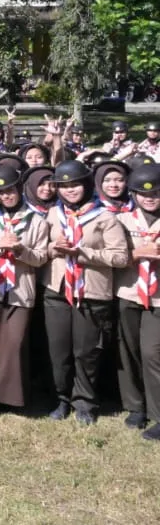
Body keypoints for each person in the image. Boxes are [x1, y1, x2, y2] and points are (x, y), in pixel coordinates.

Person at [44, 160, 129, 424]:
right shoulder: (52, 215)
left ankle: (85, 402)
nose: (70, 190)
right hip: (57, 289)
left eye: (75, 185)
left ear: (87, 185)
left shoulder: (105, 217)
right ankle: (61, 398)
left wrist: (82, 253)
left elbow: (120, 257)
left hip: (90, 291)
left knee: (86, 351)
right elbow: (42, 249)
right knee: (59, 351)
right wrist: (53, 248)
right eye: (64, 186)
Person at [0, 164, 50, 410]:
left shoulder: (36, 220)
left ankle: (11, 397)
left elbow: (41, 257)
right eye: (0, 192)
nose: (6, 196)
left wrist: (21, 250)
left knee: (14, 343)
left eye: (10, 190)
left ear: (20, 188)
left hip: (21, 288)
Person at [116, 163, 160, 435]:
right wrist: (138, 254)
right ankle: (136, 406)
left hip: (158, 297)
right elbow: (115, 257)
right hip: (129, 291)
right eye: (143, 194)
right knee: (129, 351)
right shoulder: (122, 221)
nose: (149, 197)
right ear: (133, 195)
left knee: (152, 353)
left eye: (156, 193)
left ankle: (158, 412)